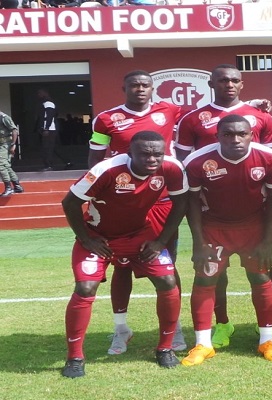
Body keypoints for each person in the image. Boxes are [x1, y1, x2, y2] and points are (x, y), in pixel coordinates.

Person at [60, 131, 189, 378]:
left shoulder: (172, 168)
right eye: (145, 154)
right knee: (85, 288)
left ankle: (165, 348)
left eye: (157, 154)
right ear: (129, 153)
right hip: (100, 238)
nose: (152, 159)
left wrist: (160, 240)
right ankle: (74, 357)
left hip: (139, 235)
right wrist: (86, 238)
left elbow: (181, 202)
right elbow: (69, 203)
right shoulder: (105, 170)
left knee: (167, 281)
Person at [175, 64, 272, 349]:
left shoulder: (261, 117)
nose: (229, 84)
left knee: (264, 270)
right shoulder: (193, 119)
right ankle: (220, 326)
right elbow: (184, 171)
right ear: (211, 83)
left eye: (235, 80)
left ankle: (269, 334)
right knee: (212, 276)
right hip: (214, 218)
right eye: (223, 80)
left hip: (254, 216)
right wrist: (197, 239)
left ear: (242, 84)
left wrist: (270, 235)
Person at [90, 70, 187, 355]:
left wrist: (253, 103)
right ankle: (121, 328)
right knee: (122, 266)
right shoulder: (105, 119)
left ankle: (175, 326)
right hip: (124, 200)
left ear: (152, 88)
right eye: (134, 85)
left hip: (162, 199)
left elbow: (202, 115)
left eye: (145, 85)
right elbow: (95, 157)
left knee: (167, 264)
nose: (140, 89)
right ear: (124, 87)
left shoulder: (168, 109)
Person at [0, 110, 24, 196]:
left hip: (6, 144)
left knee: (1, 165)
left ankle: (8, 187)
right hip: (1, 144)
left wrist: (13, 144)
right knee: (6, 166)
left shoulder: (3, 117)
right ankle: (17, 186)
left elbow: (14, 130)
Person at [37, 89, 58, 171]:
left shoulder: (48, 103)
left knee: (48, 147)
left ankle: (49, 165)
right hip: (46, 129)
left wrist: (46, 128)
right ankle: (48, 164)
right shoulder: (44, 103)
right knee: (47, 147)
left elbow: (49, 116)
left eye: (40, 93)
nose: (38, 95)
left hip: (50, 129)